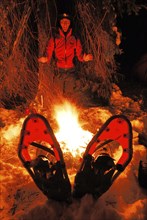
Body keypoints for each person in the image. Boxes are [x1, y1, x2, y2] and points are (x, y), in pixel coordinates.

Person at [38, 13, 93, 96]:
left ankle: (68, 108)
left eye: (67, 22)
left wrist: (84, 58)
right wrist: (46, 58)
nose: (64, 24)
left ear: (70, 23)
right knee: (58, 94)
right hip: (59, 70)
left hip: (71, 71)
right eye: (62, 22)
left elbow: (80, 54)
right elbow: (49, 50)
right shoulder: (55, 38)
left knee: (69, 94)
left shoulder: (74, 38)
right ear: (60, 23)